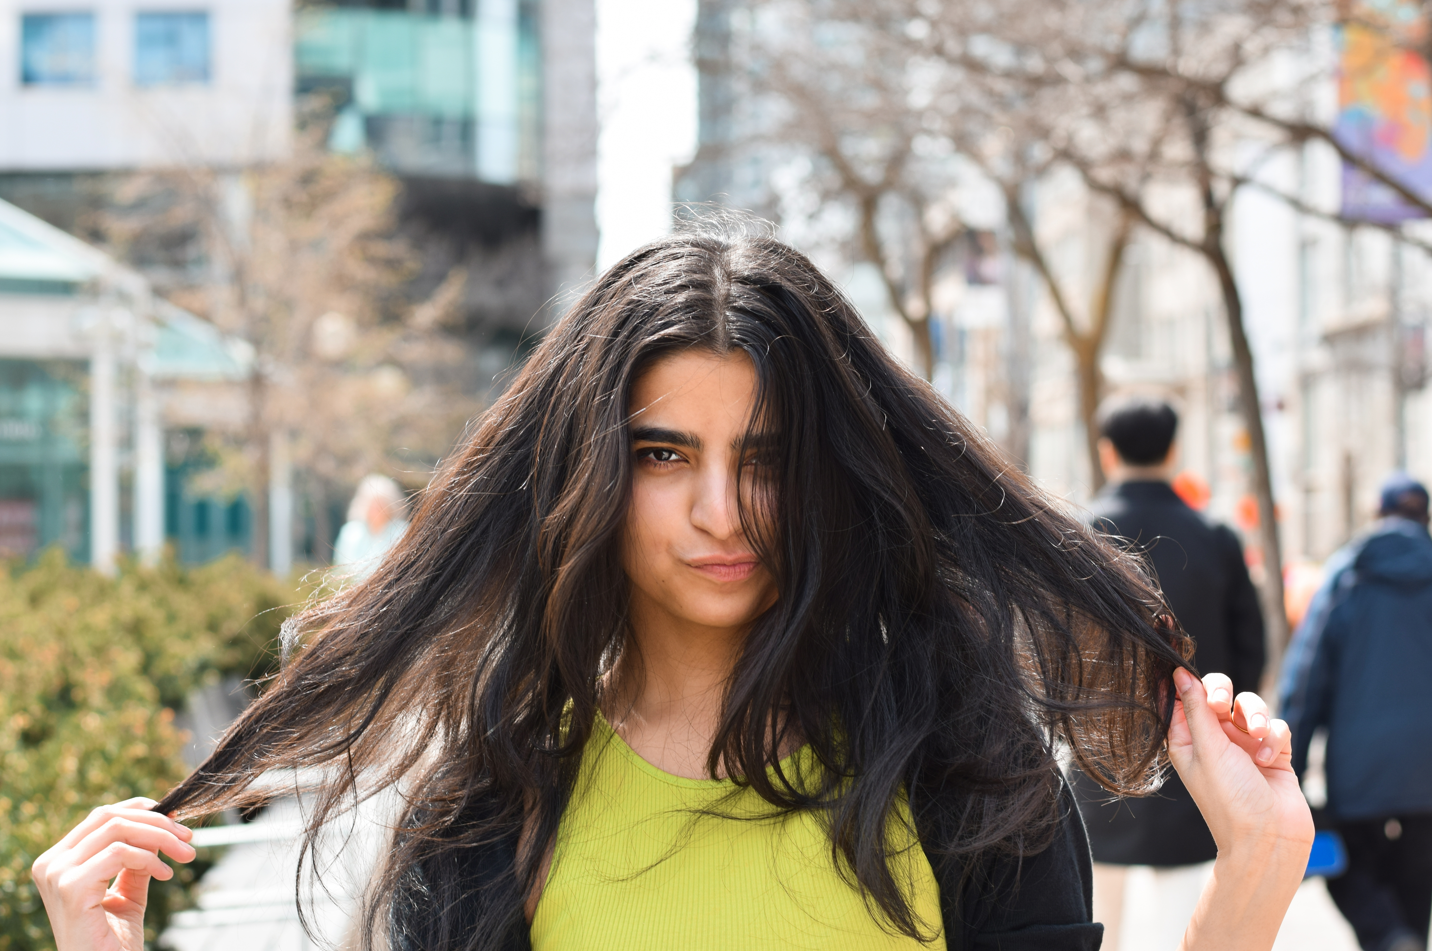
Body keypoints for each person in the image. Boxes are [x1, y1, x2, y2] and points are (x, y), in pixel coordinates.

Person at [32, 226, 1313, 951]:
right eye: (662, 456)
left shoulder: (963, 767)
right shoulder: (492, 804)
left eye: (764, 459)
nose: (717, 510)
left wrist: (1254, 875)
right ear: (586, 475)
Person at [1070, 396, 1267, 950]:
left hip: (1096, 748)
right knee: (1183, 918)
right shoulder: (1215, 537)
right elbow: (1250, 647)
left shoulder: (1076, 536)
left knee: (1096, 911)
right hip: (1194, 744)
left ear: (1107, 452)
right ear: (1174, 449)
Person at [1280, 472, 1432, 951]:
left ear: (1378, 514)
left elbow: (1306, 681)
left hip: (1358, 768)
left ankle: (1388, 936)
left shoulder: (1346, 577)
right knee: (1417, 882)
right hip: (1427, 772)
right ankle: (1402, 936)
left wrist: (1291, 768)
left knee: (1348, 867)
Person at [332, 474, 409, 581]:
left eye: (382, 504)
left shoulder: (401, 531)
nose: (377, 509)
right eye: (373, 504)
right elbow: (341, 568)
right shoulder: (350, 532)